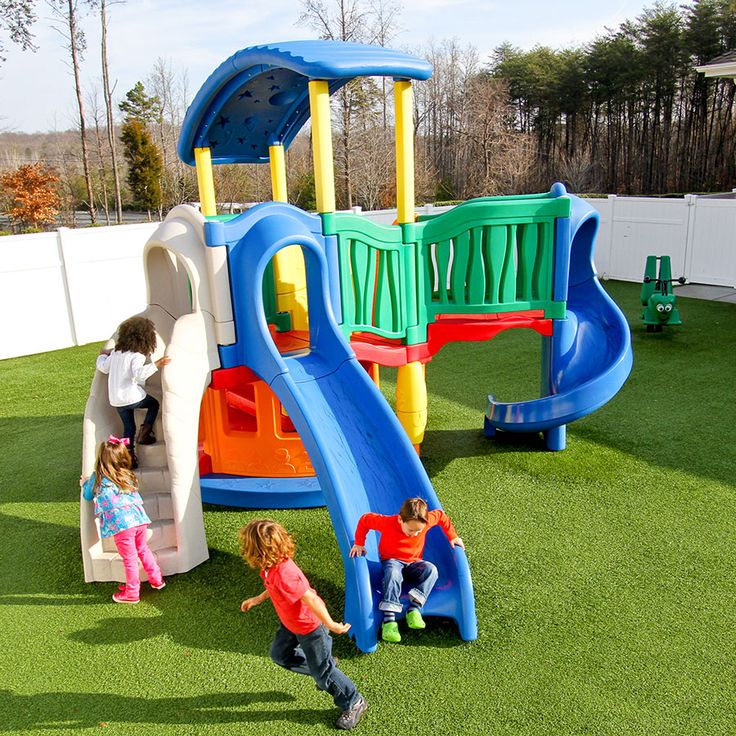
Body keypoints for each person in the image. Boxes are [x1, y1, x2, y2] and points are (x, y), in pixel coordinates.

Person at [239, 519, 368, 731]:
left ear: (259, 551)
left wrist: (332, 624)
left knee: (323, 674)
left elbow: (312, 599)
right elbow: (272, 588)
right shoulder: (270, 567)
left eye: (248, 548)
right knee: (279, 656)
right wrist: (257, 599)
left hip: (311, 628)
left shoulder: (285, 574)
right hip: (291, 626)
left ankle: (354, 700)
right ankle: (324, 667)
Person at [349, 497, 464, 643]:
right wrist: (359, 543)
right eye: (410, 530)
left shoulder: (427, 520)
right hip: (392, 561)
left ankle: (414, 608)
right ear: (400, 520)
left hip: (413, 563)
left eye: (418, 531)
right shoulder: (388, 523)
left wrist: (453, 536)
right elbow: (365, 520)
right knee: (393, 573)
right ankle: (389, 620)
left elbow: (442, 516)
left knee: (432, 570)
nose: (414, 534)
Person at [80, 436, 165, 604]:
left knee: (130, 558)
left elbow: (87, 495)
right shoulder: (126, 476)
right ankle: (157, 579)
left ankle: (132, 593)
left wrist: (85, 483)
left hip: (122, 526)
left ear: (100, 460)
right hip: (139, 520)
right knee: (143, 549)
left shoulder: (97, 478)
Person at [96, 315, 170, 468]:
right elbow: (139, 374)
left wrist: (103, 355)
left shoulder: (116, 353)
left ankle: (129, 456)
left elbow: (103, 367)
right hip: (132, 397)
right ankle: (145, 432)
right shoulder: (137, 355)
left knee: (129, 427)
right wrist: (157, 364)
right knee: (154, 404)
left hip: (117, 400)